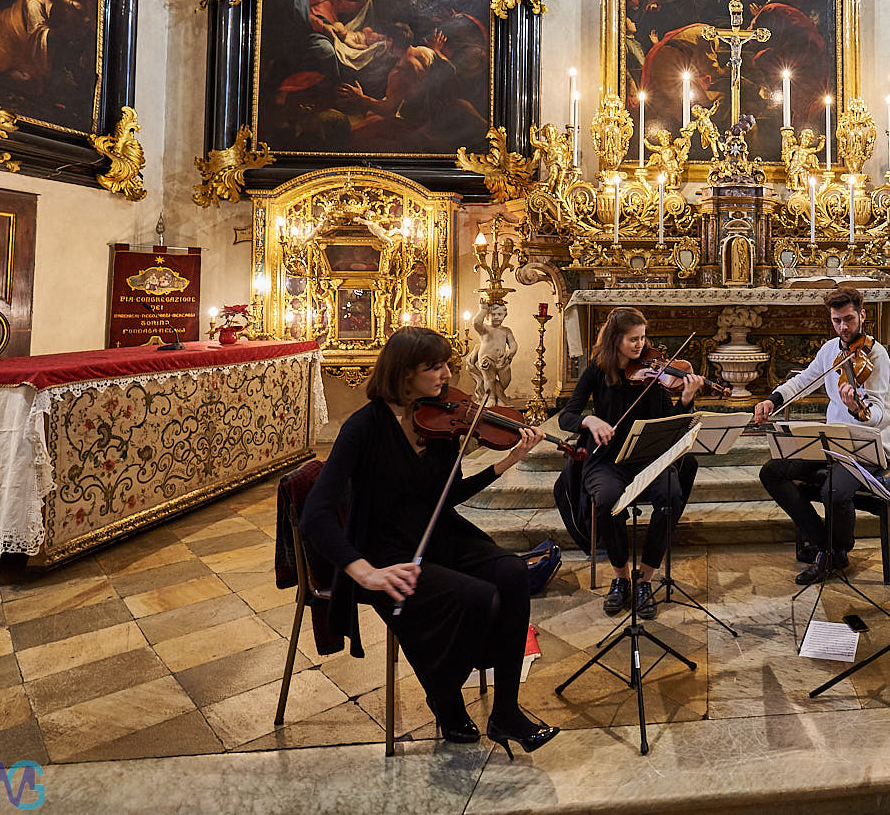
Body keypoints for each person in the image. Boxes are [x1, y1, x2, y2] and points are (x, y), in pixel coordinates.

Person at [297, 327, 559, 757]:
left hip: (440, 535)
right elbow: (316, 514)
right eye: (432, 367)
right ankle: (445, 696)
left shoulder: (439, 421)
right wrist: (365, 570)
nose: (445, 373)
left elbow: (446, 497)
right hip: (385, 552)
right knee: (479, 599)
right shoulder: (363, 428)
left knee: (512, 573)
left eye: (444, 364)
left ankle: (506, 711)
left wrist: (508, 461)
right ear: (403, 374)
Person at [557, 307, 704, 620]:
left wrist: (687, 399)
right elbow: (567, 416)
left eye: (643, 338)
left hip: (647, 457)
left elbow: (670, 421)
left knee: (670, 498)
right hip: (607, 459)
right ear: (615, 340)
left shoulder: (653, 376)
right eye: (633, 339)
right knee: (608, 500)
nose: (641, 346)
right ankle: (621, 577)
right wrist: (590, 421)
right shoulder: (596, 371)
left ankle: (644, 581)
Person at [752, 287, 890, 585]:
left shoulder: (877, 356)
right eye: (836, 320)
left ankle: (832, 552)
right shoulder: (831, 349)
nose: (843, 327)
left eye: (849, 319)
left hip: (865, 445)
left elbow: (880, 410)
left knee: (835, 490)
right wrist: (773, 401)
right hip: (830, 441)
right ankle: (830, 548)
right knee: (772, 472)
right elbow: (804, 380)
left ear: (862, 315)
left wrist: (859, 410)